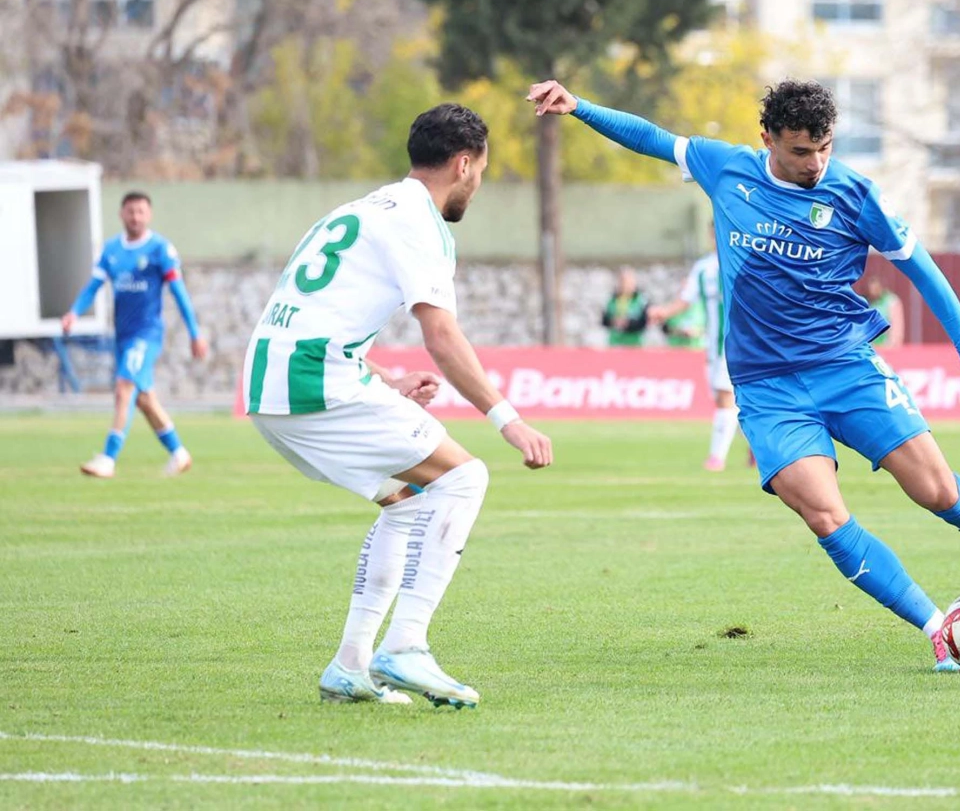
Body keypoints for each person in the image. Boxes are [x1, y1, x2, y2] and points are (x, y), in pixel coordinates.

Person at [530, 77, 960, 672]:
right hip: (766, 389)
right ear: (768, 139)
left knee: (936, 490)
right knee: (825, 516)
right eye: (801, 151)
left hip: (845, 366)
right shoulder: (726, 168)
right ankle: (939, 631)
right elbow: (652, 138)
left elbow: (922, 269)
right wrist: (579, 107)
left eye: (824, 148)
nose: (815, 163)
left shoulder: (855, 194)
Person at [242, 103, 553, 708]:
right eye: (482, 171)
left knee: (407, 500)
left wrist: (383, 380)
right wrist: (507, 419)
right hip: (314, 383)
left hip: (272, 387)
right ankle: (406, 645)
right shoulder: (421, 222)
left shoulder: (358, 210)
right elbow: (442, 336)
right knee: (464, 477)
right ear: (463, 165)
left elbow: (315, 316)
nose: (478, 184)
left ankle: (350, 666)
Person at [64, 191, 209, 479]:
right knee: (143, 399)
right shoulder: (111, 250)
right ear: (121, 214)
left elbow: (179, 293)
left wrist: (195, 333)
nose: (135, 217)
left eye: (141, 211)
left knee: (124, 388)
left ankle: (108, 458)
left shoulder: (160, 249)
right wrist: (74, 312)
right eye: (131, 211)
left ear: (149, 215)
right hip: (123, 336)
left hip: (146, 334)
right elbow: (93, 286)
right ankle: (179, 453)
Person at [650, 224, 752, 471]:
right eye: (714, 233)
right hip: (713, 346)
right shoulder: (704, 267)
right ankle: (756, 446)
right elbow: (686, 300)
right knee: (732, 400)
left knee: (725, 397)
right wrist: (664, 312)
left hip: (739, 344)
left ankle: (716, 458)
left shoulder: (744, 259)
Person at [602, 267, 650, 347]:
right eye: (623, 281)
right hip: (615, 342)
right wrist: (613, 321)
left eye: (629, 282)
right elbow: (604, 320)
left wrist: (628, 323)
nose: (626, 285)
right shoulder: (613, 300)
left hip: (634, 342)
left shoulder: (641, 300)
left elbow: (645, 321)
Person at [856, 276, 905, 348]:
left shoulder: (891, 301)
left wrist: (894, 341)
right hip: (871, 345)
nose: (873, 292)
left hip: (887, 344)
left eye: (875, 289)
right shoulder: (865, 302)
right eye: (871, 289)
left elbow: (897, 324)